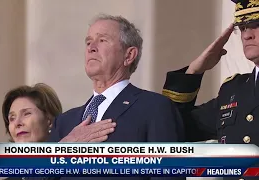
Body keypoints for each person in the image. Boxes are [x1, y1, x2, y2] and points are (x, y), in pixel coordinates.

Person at [49, 14, 185, 180]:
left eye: (102, 40)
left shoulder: (154, 108)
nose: (91, 47)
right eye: (88, 41)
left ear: (129, 55)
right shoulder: (64, 123)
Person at [162, 0, 259, 179]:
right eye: (243, 27)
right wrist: (193, 72)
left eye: (256, 25)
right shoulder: (234, 90)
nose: (247, 36)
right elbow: (174, 129)